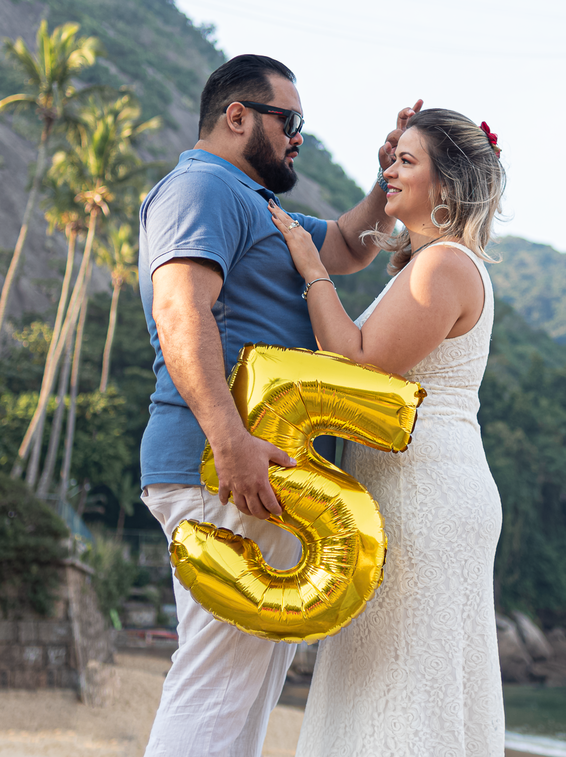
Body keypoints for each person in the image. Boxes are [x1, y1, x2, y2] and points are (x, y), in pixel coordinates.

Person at [136, 52, 421, 757]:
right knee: (216, 688)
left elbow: (352, 247)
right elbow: (180, 312)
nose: (297, 135)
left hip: (250, 464)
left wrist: (384, 178)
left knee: (238, 689)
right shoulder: (201, 189)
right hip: (225, 463)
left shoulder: (254, 200)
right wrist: (229, 440)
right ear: (237, 116)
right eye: (288, 120)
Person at [268, 108, 506, 756]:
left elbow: (359, 362)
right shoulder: (425, 262)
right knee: (388, 668)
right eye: (391, 159)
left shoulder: (443, 267)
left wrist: (309, 265)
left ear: (448, 183)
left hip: (425, 489)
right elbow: (372, 232)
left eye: (407, 161)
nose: (390, 171)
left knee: (405, 672)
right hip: (413, 482)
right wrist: (385, 183)